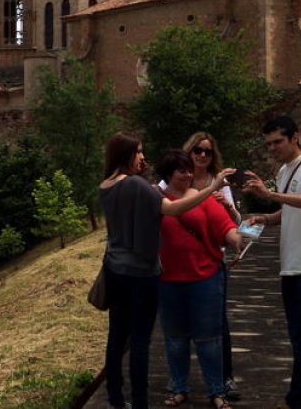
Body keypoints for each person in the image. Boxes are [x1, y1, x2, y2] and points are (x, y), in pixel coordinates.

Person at [99, 132, 225, 409]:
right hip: (140, 273)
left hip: (114, 268)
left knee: (116, 336)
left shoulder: (105, 185)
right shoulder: (137, 185)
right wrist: (211, 188)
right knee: (140, 341)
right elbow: (173, 208)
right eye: (139, 152)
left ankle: (116, 399)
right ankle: (141, 402)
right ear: (126, 155)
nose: (143, 158)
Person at [244, 116, 301, 409]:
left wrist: (269, 194)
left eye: (277, 142)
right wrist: (266, 218)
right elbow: (290, 210)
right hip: (291, 263)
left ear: (295, 137)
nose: (272, 148)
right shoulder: (284, 170)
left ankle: (295, 398)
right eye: (268, 143)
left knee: (300, 334)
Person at [155, 149, 241, 409]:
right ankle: (179, 387)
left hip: (205, 277)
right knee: (175, 339)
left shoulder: (204, 199)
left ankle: (216, 391)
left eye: (190, 170)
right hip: (168, 280)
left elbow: (227, 229)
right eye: (182, 170)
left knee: (209, 339)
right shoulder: (156, 199)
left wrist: (241, 239)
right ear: (169, 173)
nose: (189, 174)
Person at [182, 132, 241, 400]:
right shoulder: (179, 177)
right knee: (180, 324)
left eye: (207, 151)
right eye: (197, 150)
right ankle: (179, 381)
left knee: (218, 322)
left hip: (213, 258)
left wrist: (228, 206)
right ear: (190, 151)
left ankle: (225, 378)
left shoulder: (221, 182)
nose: (202, 155)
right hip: (182, 260)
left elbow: (236, 221)